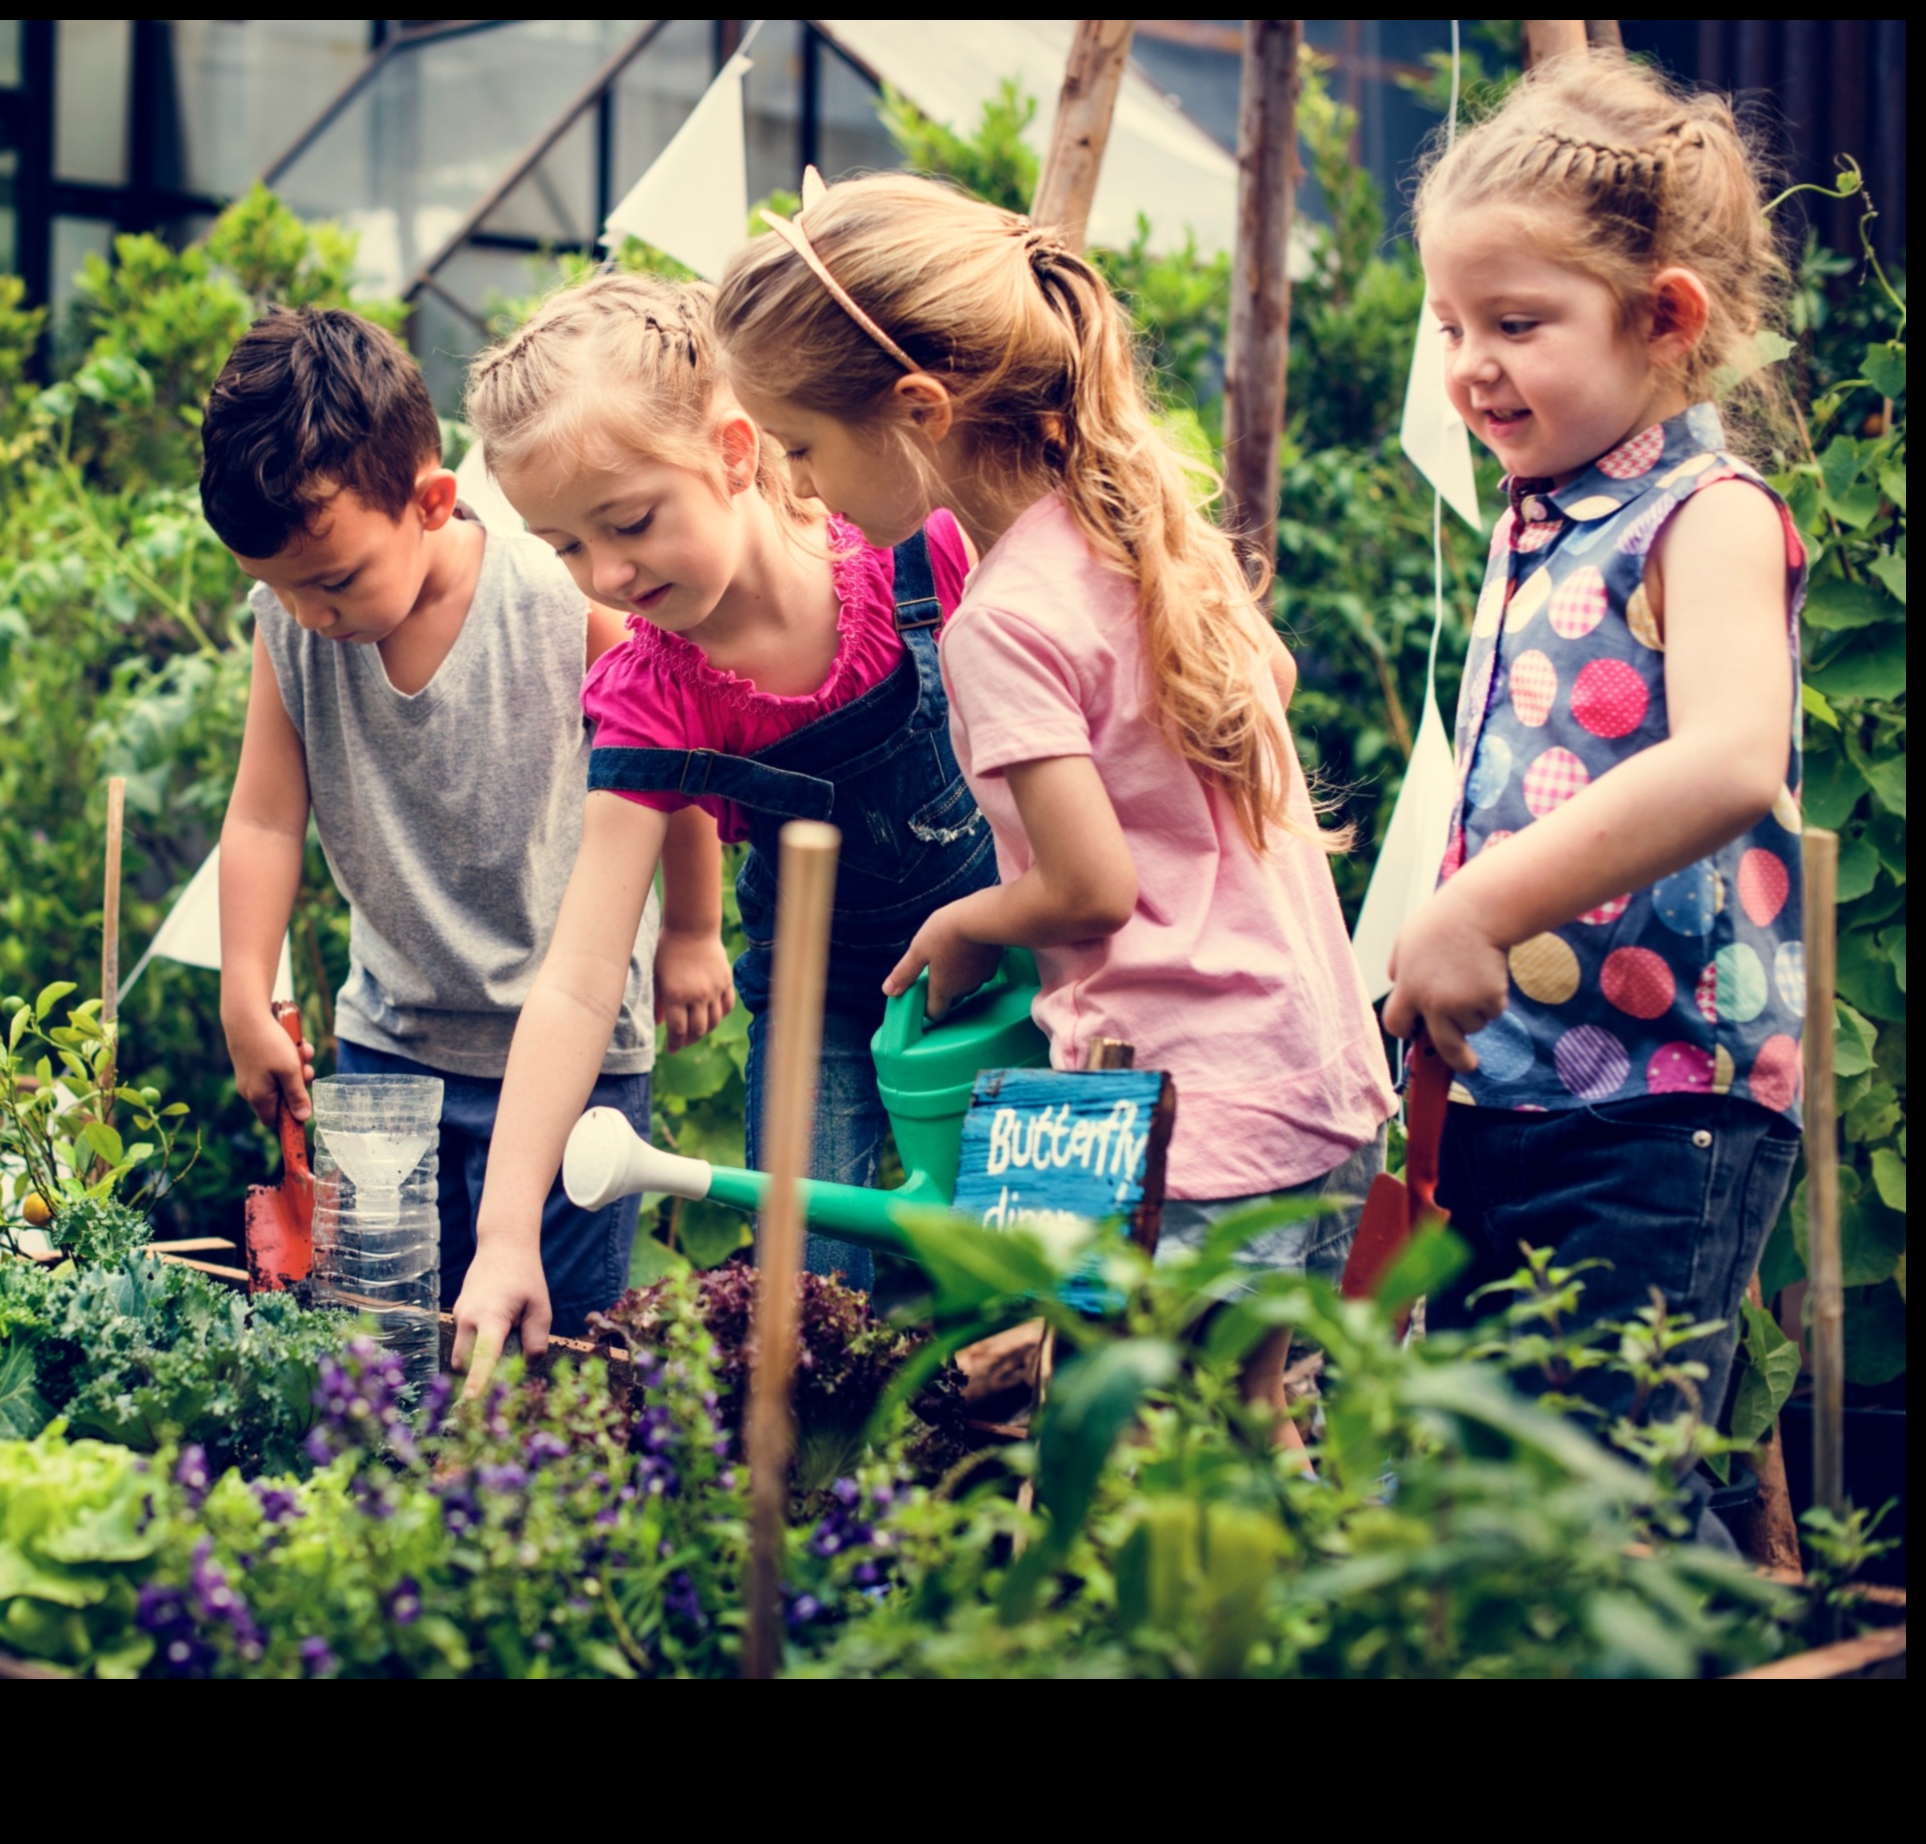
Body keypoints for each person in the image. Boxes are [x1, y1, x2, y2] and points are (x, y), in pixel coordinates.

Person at [714, 175, 1395, 1445]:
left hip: (1182, 1113)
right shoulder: (1135, 526)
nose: (801, 489)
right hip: (1311, 1068)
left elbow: (1087, 887)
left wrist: (973, 916)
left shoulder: (1005, 621)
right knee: (1256, 1425)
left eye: (801, 445)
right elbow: (1272, 680)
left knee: (1135, 1445)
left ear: (919, 409)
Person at [1382, 59, 1808, 1479]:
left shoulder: (1709, 514)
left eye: (1516, 323)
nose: (1470, 365)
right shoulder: (1541, 516)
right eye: (1451, 325)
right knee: (1489, 1492)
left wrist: (1470, 911)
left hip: (1657, 1097)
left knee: (1601, 1503)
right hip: (1514, 1088)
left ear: (1666, 317)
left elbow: (1735, 757)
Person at [456, 272, 993, 1381]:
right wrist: (507, 1228)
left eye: (631, 521)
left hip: (1022, 962)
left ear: (738, 451)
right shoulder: (655, 689)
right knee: (816, 1297)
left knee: (1031, 1268)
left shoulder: (917, 552)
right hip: (825, 1000)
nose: (606, 575)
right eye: (562, 546)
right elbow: (580, 972)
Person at [204, 307, 726, 1361]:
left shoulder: (558, 601)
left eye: (335, 579)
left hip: (575, 1050)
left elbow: (673, 756)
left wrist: (692, 932)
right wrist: (242, 986)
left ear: (432, 502)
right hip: (388, 1045)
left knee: (555, 1352)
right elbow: (263, 817)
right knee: (380, 1346)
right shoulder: (293, 632)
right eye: (279, 586)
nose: (308, 611)